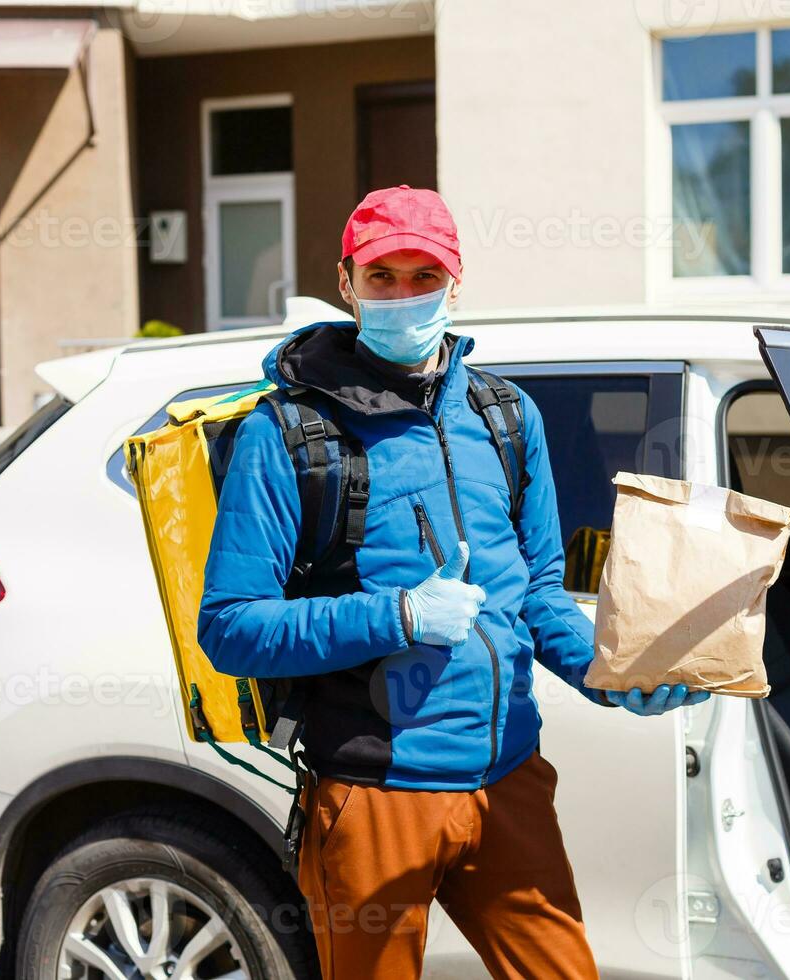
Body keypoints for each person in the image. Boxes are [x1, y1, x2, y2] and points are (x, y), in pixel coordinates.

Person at [198, 185, 707, 979]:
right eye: (382, 277)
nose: (403, 296)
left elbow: (538, 594)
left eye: (422, 277)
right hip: (373, 794)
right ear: (347, 283)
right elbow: (231, 627)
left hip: (508, 777)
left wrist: (610, 675)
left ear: (455, 282)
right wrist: (396, 615)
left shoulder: (507, 417)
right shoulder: (288, 432)